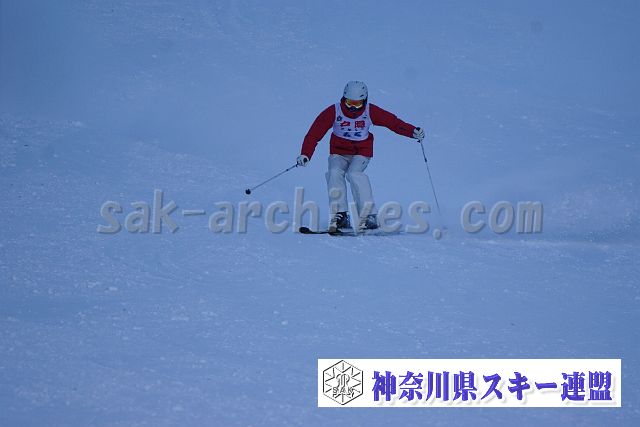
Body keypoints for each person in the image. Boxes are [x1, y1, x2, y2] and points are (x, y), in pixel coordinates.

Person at [297, 81, 425, 232]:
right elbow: (314, 134)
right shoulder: (334, 111)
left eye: (357, 104)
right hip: (339, 152)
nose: (352, 107)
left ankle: (369, 216)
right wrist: (306, 154)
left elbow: (393, 123)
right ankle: (340, 215)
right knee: (334, 173)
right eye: (349, 102)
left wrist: (412, 131)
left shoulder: (370, 111)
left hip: (361, 152)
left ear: (364, 101)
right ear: (343, 98)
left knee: (354, 174)